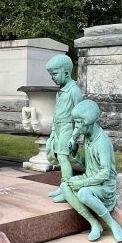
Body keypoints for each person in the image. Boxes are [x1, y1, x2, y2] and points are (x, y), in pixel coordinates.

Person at [59, 99, 122, 242]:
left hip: (104, 186)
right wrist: (75, 154)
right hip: (91, 180)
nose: (76, 127)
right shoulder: (88, 136)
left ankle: (112, 223)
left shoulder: (102, 142)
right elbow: (90, 165)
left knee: (83, 193)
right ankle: (94, 223)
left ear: (87, 123)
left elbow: (104, 173)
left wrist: (82, 183)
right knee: (64, 186)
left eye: (78, 123)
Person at [44, 54, 84, 202]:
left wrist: (74, 137)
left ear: (66, 73)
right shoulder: (61, 91)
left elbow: (80, 117)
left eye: (54, 74)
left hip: (68, 128)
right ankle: (63, 186)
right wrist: (53, 133)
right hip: (59, 128)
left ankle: (67, 189)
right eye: (51, 74)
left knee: (63, 157)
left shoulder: (74, 91)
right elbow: (56, 114)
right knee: (59, 157)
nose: (52, 77)